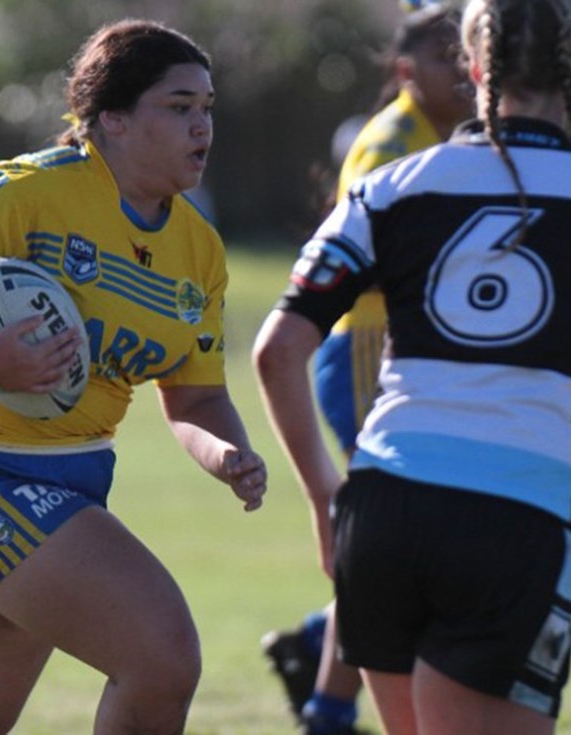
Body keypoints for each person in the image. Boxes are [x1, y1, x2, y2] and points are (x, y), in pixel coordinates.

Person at [0, 18, 267, 735]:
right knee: (162, 656)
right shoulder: (26, 192)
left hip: (73, 479)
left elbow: (196, 395)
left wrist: (226, 454)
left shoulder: (199, 250)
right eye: (179, 106)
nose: (202, 126)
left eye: (207, 108)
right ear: (112, 118)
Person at [254, 0, 571, 732]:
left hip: (381, 511)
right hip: (514, 519)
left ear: (474, 69)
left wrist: (324, 498)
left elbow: (276, 349)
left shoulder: (392, 184)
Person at [261, 4, 474, 734]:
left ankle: (319, 650)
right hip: (366, 349)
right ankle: (328, 703)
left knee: (404, 539)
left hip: (411, 353)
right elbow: (359, 261)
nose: (462, 71)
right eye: (444, 58)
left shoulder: (450, 138)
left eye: (465, 53)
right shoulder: (390, 145)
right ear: (406, 72)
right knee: (391, 534)